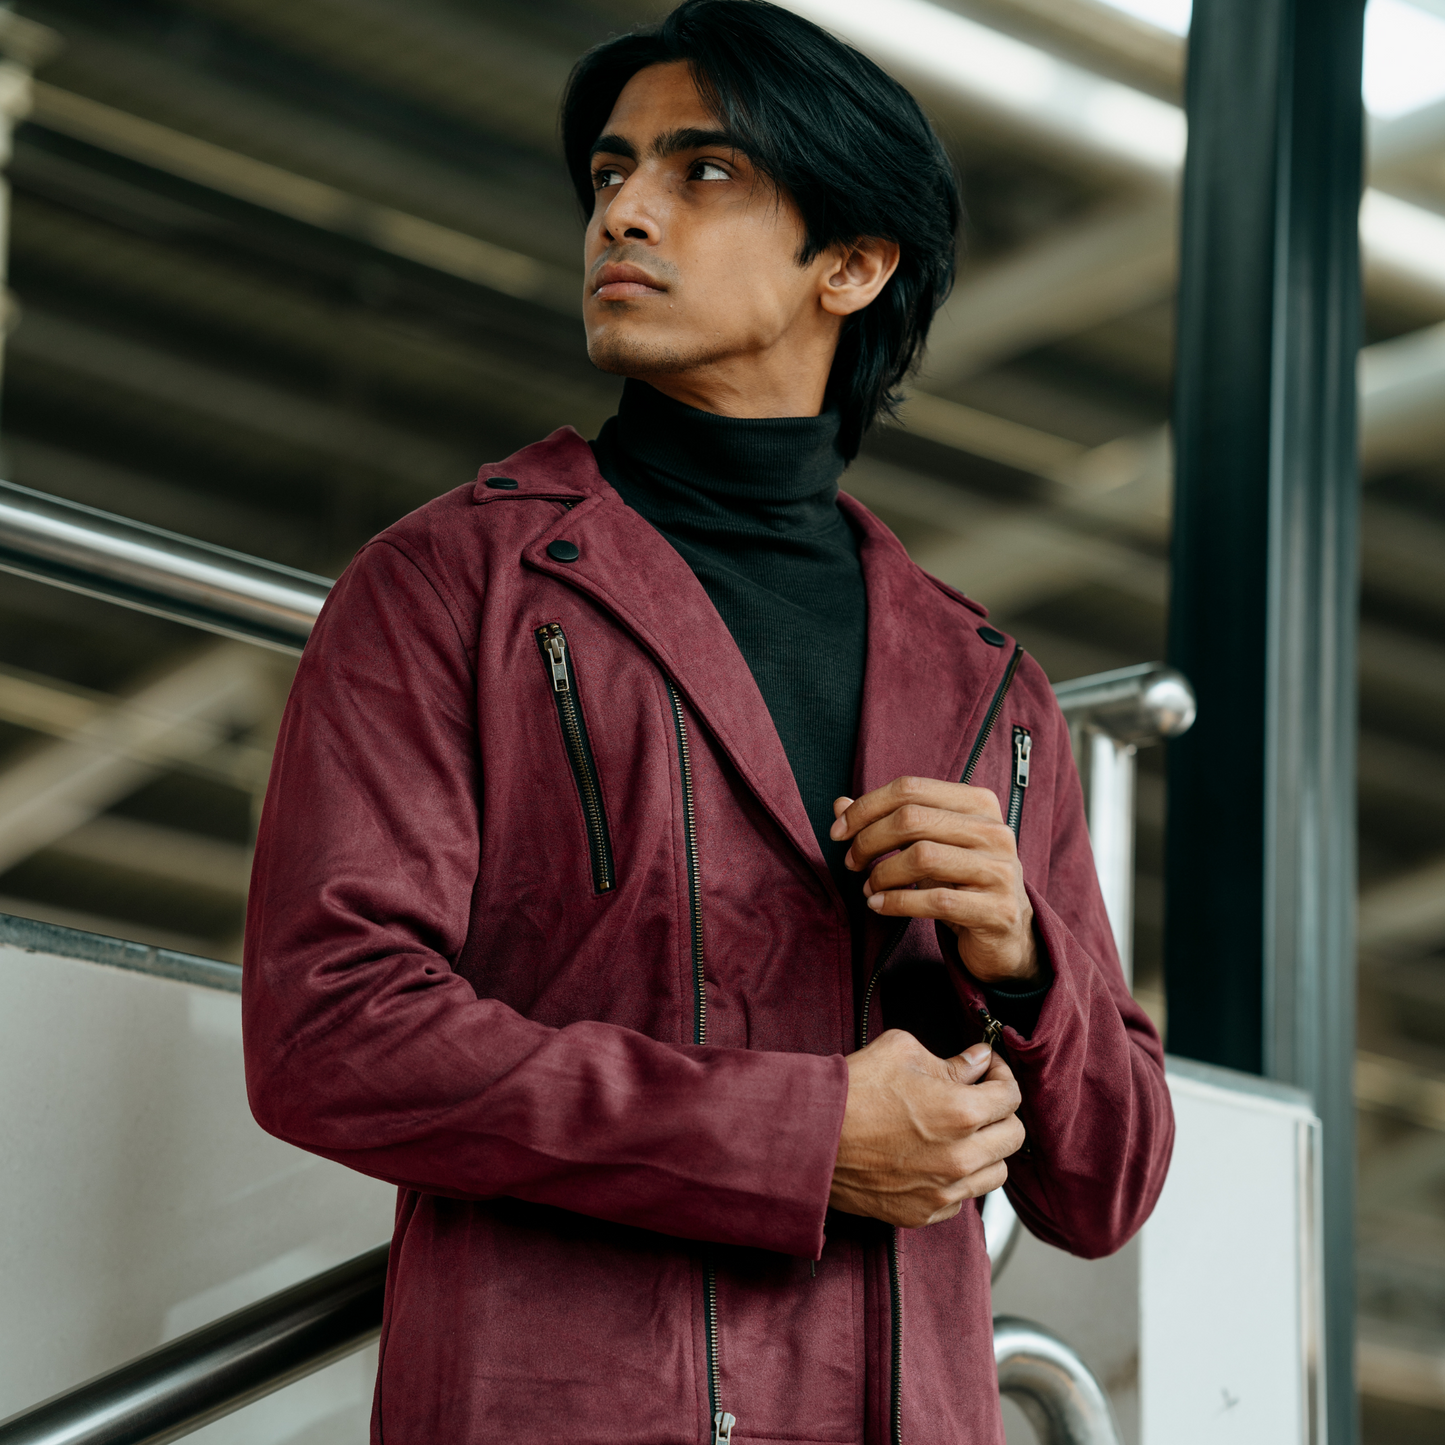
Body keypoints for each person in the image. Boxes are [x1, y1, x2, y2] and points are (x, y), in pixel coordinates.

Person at [242, 2, 1174, 1442]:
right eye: (614, 170)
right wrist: (802, 1136)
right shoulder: (454, 585)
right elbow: (331, 1033)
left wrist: (1029, 962)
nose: (625, 208)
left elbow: (1104, 1190)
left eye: (705, 172)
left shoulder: (996, 691)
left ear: (854, 265)